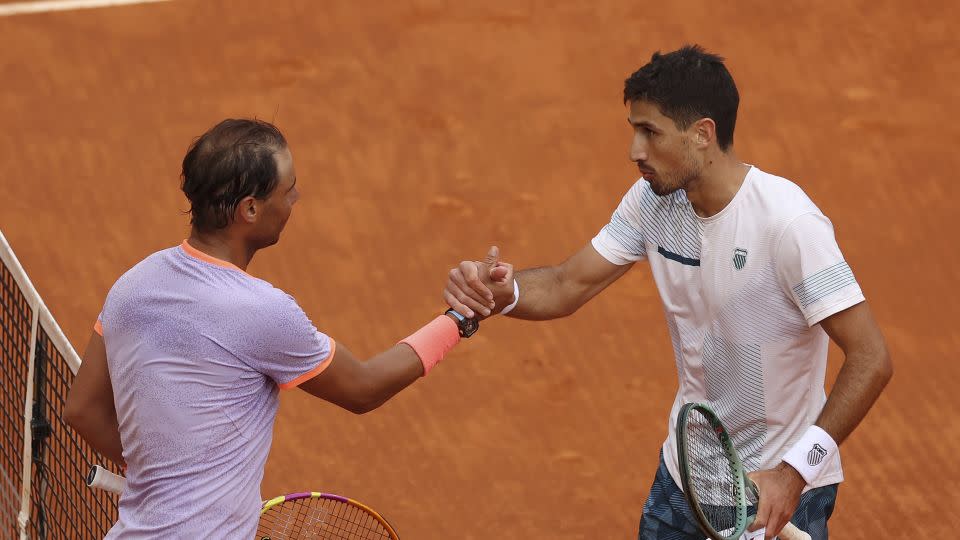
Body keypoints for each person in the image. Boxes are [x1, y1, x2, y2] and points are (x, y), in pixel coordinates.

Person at [443, 45, 893, 540]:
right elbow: (567, 283)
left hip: (774, 491)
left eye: (649, 132)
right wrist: (503, 292)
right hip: (687, 480)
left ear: (702, 134)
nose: (635, 150)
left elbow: (870, 357)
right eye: (635, 130)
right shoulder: (652, 202)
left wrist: (794, 474)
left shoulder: (788, 225)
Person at [64, 118, 488, 538]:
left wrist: (165, 479)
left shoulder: (131, 285)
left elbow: (81, 409)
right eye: (288, 191)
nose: (296, 197)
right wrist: (460, 318)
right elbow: (363, 387)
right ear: (250, 209)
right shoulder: (260, 310)